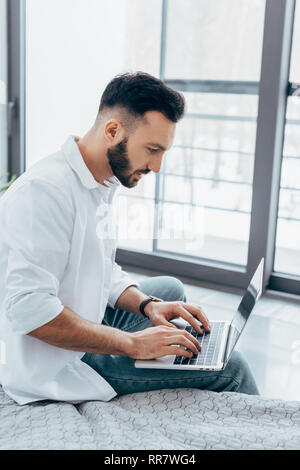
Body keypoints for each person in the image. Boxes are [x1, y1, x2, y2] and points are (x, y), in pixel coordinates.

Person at [0, 72, 258, 405]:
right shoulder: (45, 193)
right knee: (232, 368)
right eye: (152, 149)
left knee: (169, 290)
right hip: (60, 361)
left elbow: (101, 268)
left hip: (85, 316)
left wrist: (148, 305)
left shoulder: (101, 181)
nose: (157, 166)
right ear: (113, 131)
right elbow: (30, 311)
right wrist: (132, 344)